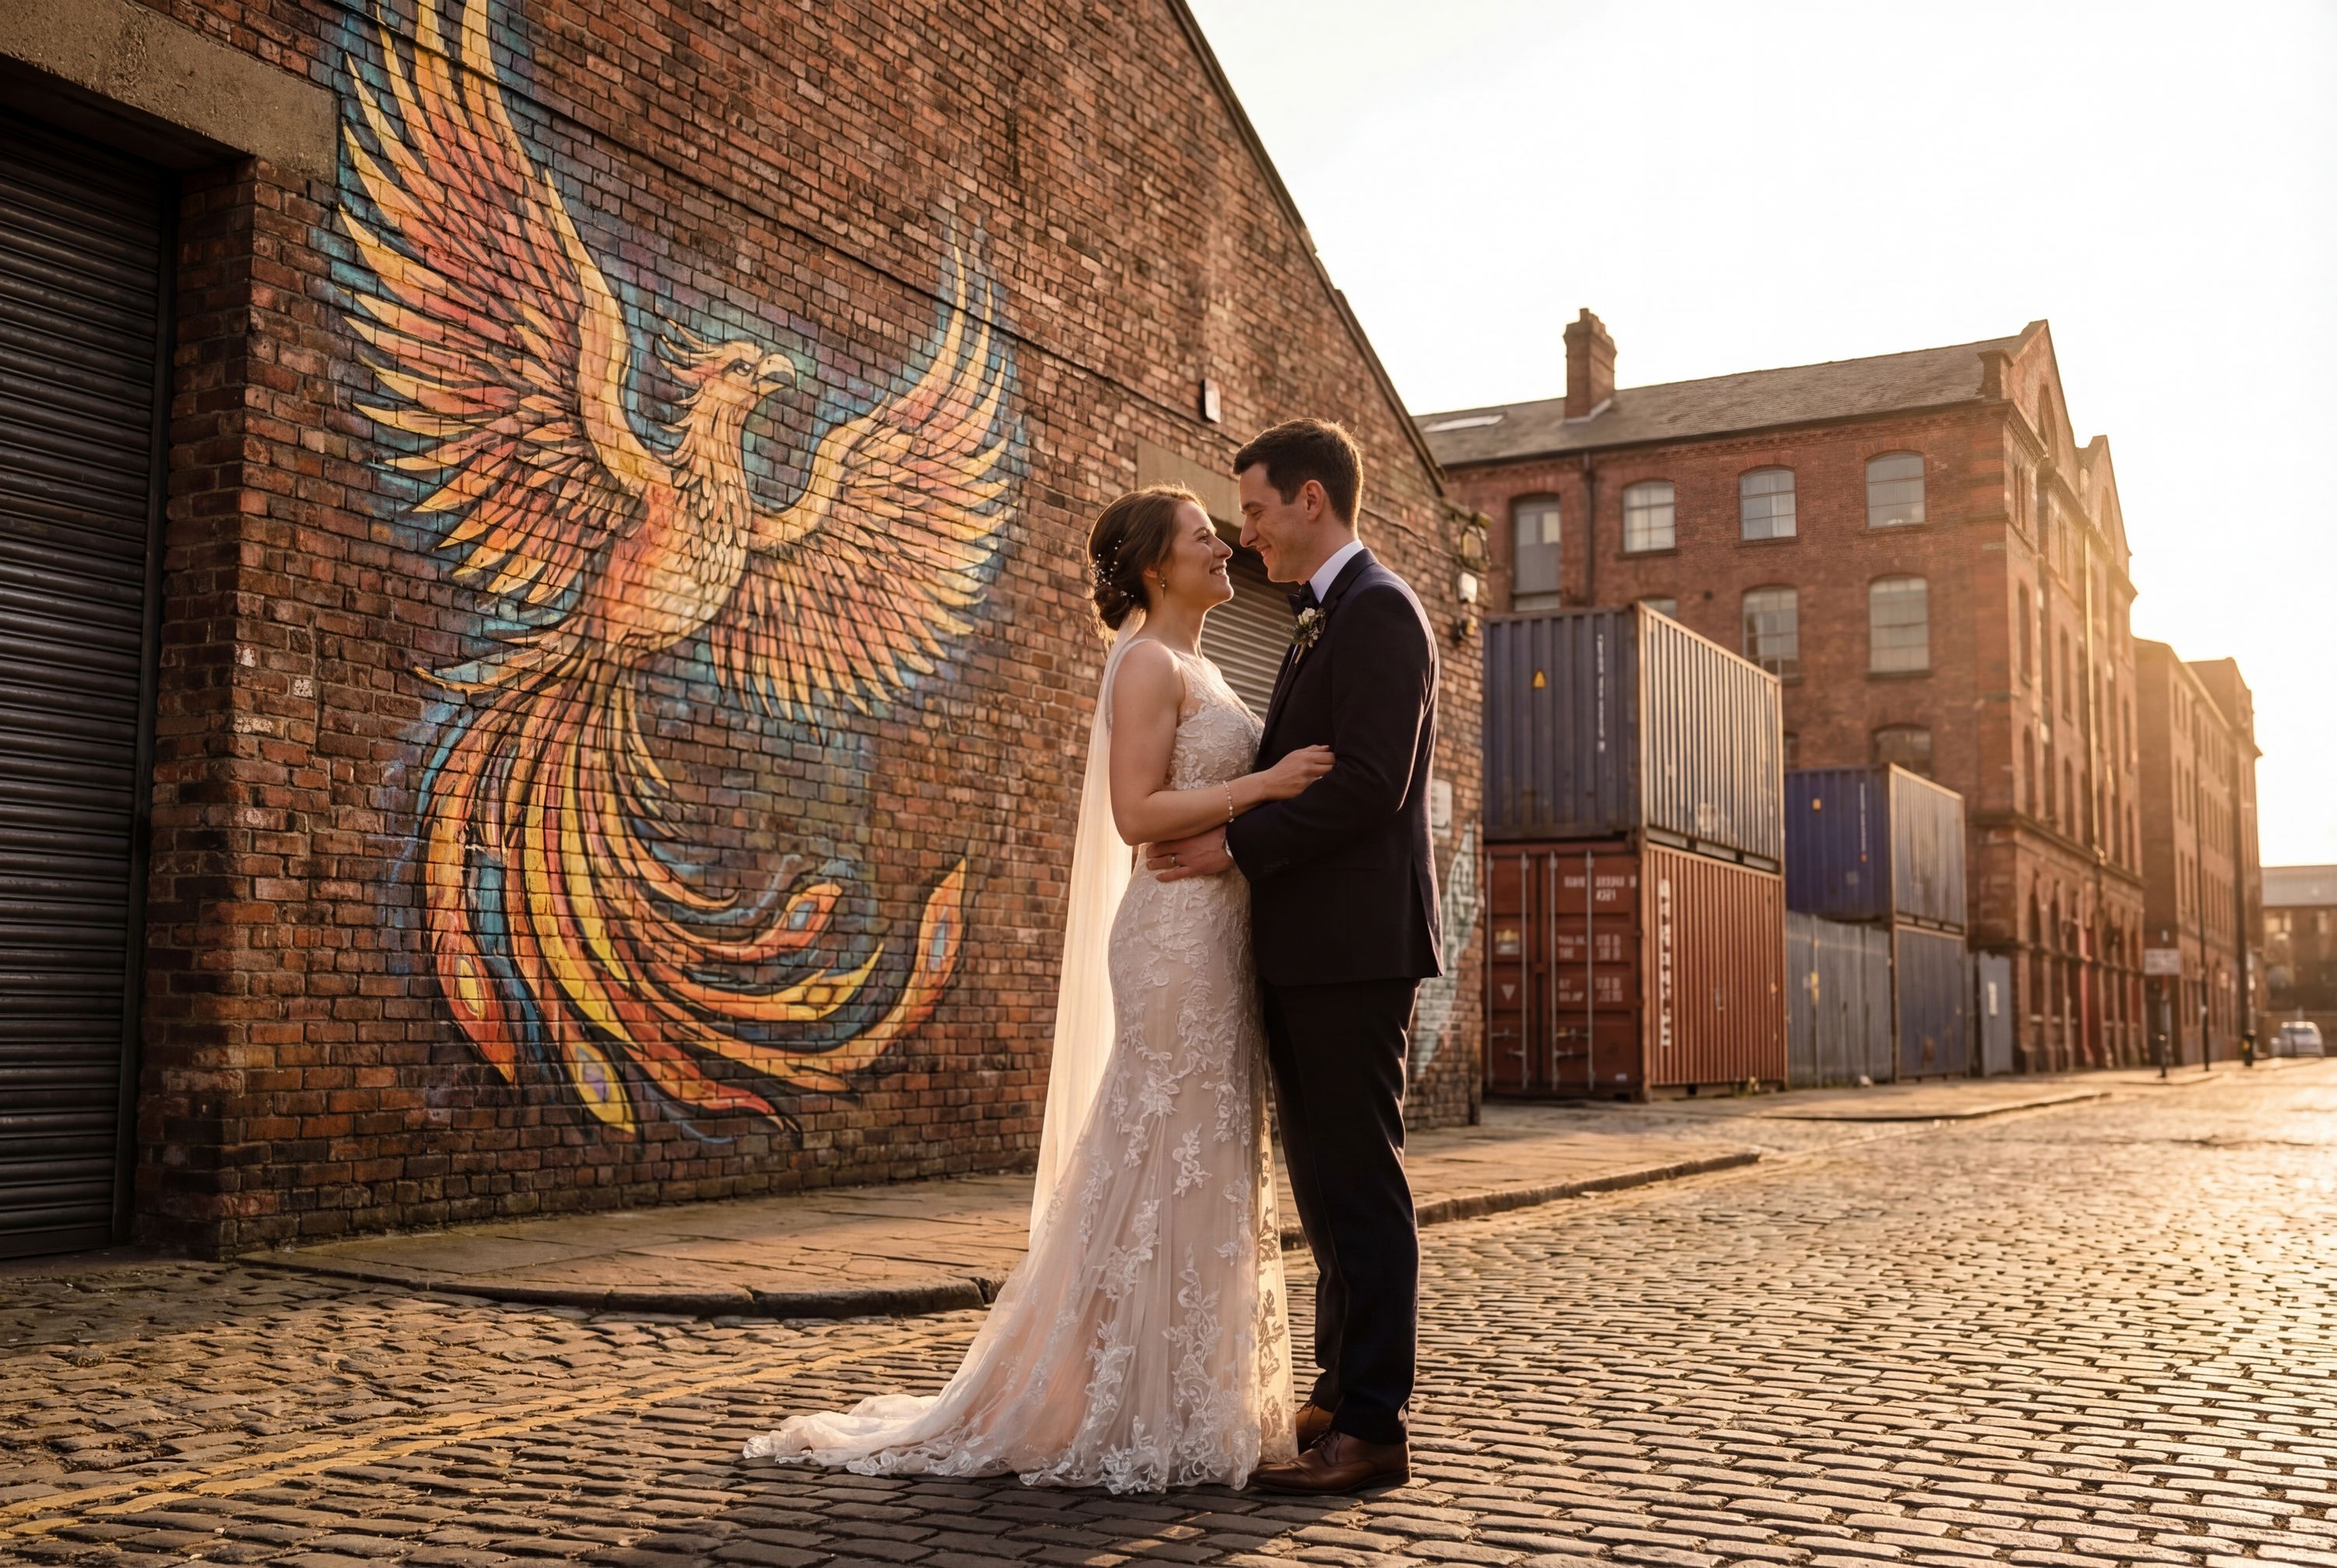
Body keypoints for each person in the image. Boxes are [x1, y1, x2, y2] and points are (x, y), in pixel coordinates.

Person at [742, 484, 1332, 1492]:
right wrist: (1261, 789)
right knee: (1159, 1153)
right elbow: (1136, 810)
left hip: (1218, 938)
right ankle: (1121, 1401)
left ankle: (1196, 1391)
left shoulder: (1203, 664)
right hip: (1173, 941)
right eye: (1203, 535)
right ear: (1156, 566)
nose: (1224, 544)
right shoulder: (1146, 662)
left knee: (1208, 1155)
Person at [1146, 418, 1443, 1495]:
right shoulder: (1323, 619)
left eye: (1259, 510)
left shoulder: (1382, 613)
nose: (1249, 533)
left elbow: (1371, 784)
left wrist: (1233, 842)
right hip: (1306, 947)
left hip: (1356, 951)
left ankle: (1375, 1421)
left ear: (1312, 499)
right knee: (1322, 1183)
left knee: (1360, 1181)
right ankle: (1337, 1387)